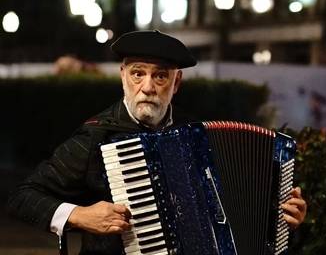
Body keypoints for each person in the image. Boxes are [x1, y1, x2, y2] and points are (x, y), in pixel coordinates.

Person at [7, 30, 307, 254]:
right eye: (138, 74)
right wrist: (80, 215)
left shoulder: (197, 136)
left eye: (160, 76)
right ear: (123, 76)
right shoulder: (96, 137)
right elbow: (23, 197)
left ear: (176, 83)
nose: (147, 87)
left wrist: (283, 222)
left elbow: (232, 221)